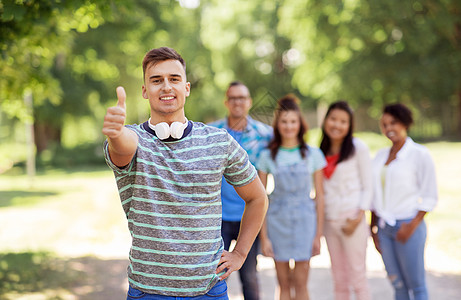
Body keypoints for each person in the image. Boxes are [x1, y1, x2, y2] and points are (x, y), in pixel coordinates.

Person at [101, 47, 268, 299]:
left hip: (209, 291)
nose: (166, 86)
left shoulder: (219, 141)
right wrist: (115, 133)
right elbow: (123, 147)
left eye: (174, 79)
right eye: (156, 80)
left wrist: (240, 254)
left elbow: (258, 197)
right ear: (145, 91)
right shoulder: (133, 139)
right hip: (148, 292)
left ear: (186, 88)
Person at [256, 94, 325, 300]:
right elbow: (260, 200)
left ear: (300, 124)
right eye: (284, 122)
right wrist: (264, 237)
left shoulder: (313, 155)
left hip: (305, 222)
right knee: (284, 284)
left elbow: (320, 197)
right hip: (277, 223)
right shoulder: (267, 156)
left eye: (293, 121)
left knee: (301, 283)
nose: (289, 126)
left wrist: (318, 235)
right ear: (278, 125)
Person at [208, 81, 272, 300]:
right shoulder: (212, 133)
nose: (238, 102)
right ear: (226, 102)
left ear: (249, 102)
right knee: (215, 274)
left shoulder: (266, 135)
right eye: (233, 98)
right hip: (219, 216)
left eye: (242, 98)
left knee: (250, 276)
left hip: (249, 215)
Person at [370, 103, 438, 300]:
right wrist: (373, 227)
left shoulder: (419, 154)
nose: (389, 128)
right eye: (384, 124)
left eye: (394, 123)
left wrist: (412, 225)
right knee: (398, 286)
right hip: (384, 229)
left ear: (406, 123)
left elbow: (429, 195)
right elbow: (376, 195)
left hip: (408, 227)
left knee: (416, 286)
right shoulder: (381, 156)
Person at [319, 101, 372, 300]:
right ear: (326, 121)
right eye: (333, 119)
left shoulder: (359, 148)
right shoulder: (321, 151)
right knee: (339, 279)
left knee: (357, 277)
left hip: (352, 221)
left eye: (343, 121)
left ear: (350, 125)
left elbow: (368, 187)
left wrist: (358, 218)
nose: (337, 125)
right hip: (329, 223)